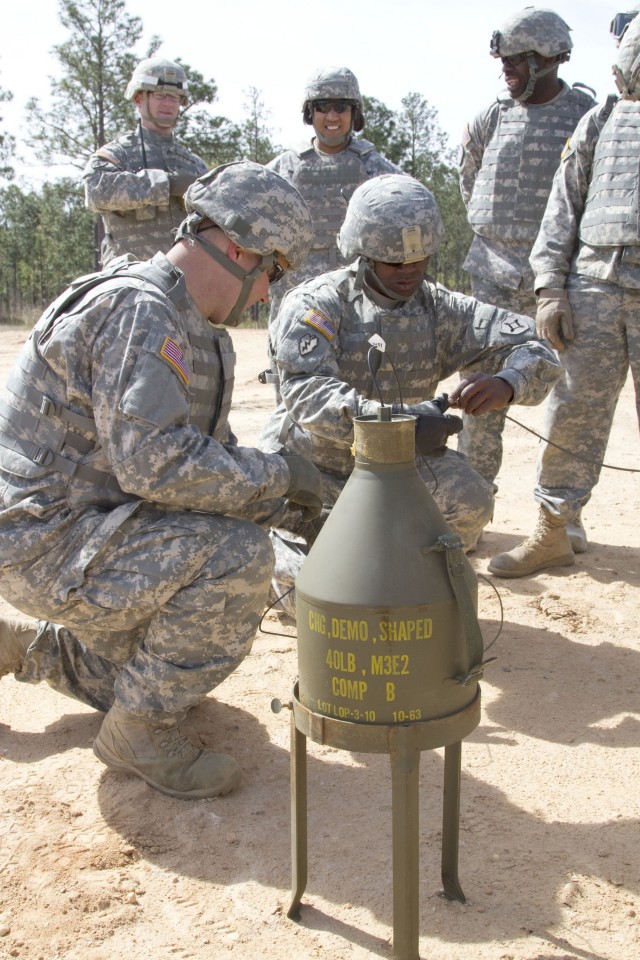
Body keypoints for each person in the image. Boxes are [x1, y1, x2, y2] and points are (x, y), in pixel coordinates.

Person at [0, 161, 324, 801]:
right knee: (234, 564)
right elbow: (157, 465)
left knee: (144, 662)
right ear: (237, 249)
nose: (267, 294)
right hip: (41, 540)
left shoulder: (189, 326)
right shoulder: (139, 311)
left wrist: (288, 509)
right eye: (272, 272)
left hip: (78, 528)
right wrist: (280, 475)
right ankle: (139, 734)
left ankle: (19, 648)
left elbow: (210, 467)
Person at [259, 174, 561, 620]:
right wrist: (403, 426)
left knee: (469, 499)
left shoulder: (440, 309)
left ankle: (396, 576)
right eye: (393, 262)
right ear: (363, 254)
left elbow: (538, 347)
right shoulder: (318, 304)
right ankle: (288, 563)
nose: (410, 271)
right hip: (314, 472)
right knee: (315, 597)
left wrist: (508, 383)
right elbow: (306, 394)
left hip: (397, 472)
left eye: (419, 259)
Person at [488, 17, 640, 578]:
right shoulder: (601, 118)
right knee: (573, 412)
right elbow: (564, 207)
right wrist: (550, 287)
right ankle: (554, 528)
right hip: (595, 288)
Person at [458, 7, 595, 506]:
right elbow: (470, 178)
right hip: (492, 274)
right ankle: (472, 503)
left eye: (515, 59)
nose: (506, 69)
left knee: (573, 395)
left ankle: (560, 514)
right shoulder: (492, 116)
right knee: (478, 391)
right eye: (504, 60)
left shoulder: (584, 116)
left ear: (547, 58)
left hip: (563, 278)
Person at [264, 66, 401, 333]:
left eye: (341, 107)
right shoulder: (284, 169)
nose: (332, 116)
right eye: (323, 107)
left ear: (355, 113)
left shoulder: (377, 170)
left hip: (357, 299)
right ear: (310, 112)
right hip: (294, 298)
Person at [84, 57, 208, 266]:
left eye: (175, 98)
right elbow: (95, 191)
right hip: (130, 279)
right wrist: (165, 184)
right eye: (160, 96)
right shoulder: (118, 154)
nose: (168, 103)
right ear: (138, 99)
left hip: (184, 284)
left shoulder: (194, 165)